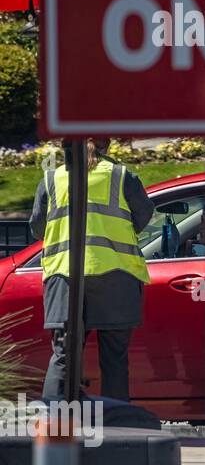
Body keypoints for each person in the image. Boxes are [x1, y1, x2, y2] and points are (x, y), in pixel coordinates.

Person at [31, 137, 153, 403]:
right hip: (116, 279)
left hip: (64, 279)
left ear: (65, 148)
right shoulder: (122, 176)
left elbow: (38, 228)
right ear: (106, 146)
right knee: (115, 359)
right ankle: (118, 432)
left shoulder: (52, 180)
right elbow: (143, 217)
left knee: (63, 355)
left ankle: (53, 428)